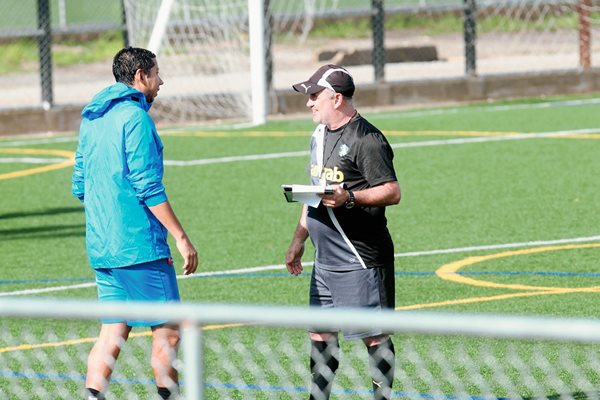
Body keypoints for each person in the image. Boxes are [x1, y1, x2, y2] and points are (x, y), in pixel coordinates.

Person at [72, 47, 198, 400]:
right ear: (141, 76)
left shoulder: (92, 118)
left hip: (102, 246)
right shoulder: (135, 118)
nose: (161, 81)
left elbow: (79, 185)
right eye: (157, 73)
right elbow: (147, 186)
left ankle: (93, 395)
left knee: (113, 329)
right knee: (168, 330)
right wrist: (181, 237)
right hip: (138, 246)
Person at [285, 64, 401, 400]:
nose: (309, 102)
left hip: (359, 258)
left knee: (374, 337)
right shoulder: (318, 136)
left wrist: (349, 197)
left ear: (336, 98)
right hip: (325, 261)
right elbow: (315, 192)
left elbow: (392, 191)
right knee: (320, 335)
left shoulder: (368, 140)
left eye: (314, 95)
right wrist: (298, 239)